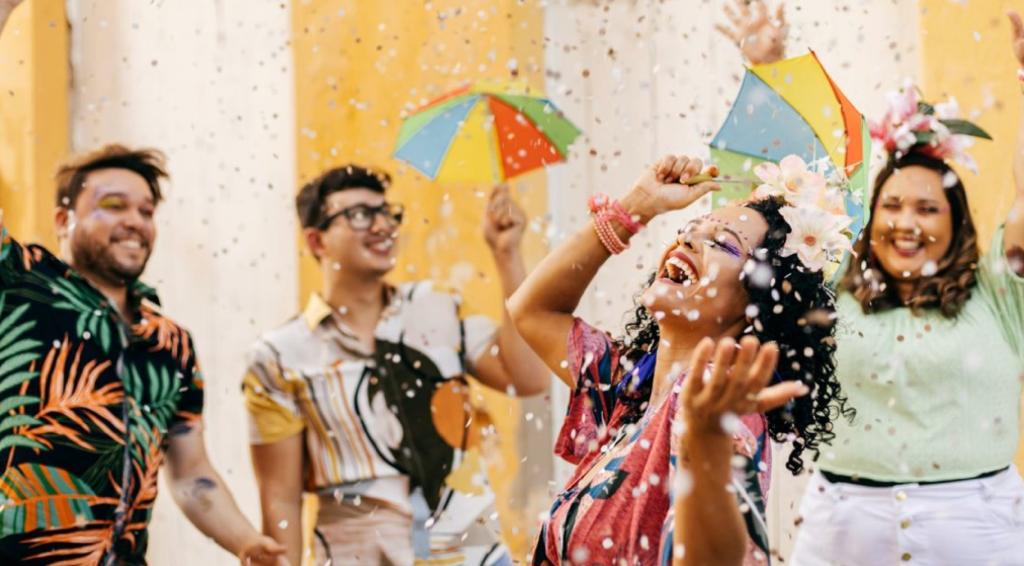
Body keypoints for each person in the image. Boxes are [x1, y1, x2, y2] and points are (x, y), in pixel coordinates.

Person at [721, 2, 1024, 563]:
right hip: (842, 527)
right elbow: (763, 212)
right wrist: (766, 74)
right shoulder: (832, 288)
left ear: (956, 222)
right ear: (871, 217)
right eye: (892, 205)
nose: (906, 223)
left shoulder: (1001, 294)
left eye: (927, 209)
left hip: (977, 528)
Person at [509, 153, 852, 564]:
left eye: (723, 243)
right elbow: (531, 312)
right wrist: (637, 206)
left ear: (756, 308)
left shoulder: (719, 409)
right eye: (692, 229)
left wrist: (705, 447)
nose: (688, 241)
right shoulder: (630, 392)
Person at [242, 165, 550, 565]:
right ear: (316, 240)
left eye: (387, 213)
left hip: (468, 553)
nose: (382, 225)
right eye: (358, 215)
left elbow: (527, 376)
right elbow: (280, 497)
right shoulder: (279, 355)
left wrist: (506, 254)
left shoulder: (438, 307)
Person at [0, 143, 286, 564]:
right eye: (113, 206)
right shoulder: (19, 282)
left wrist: (245, 541)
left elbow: (191, 475)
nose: (135, 221)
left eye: (146, 212)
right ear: (63, 220)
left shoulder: (172, 344)